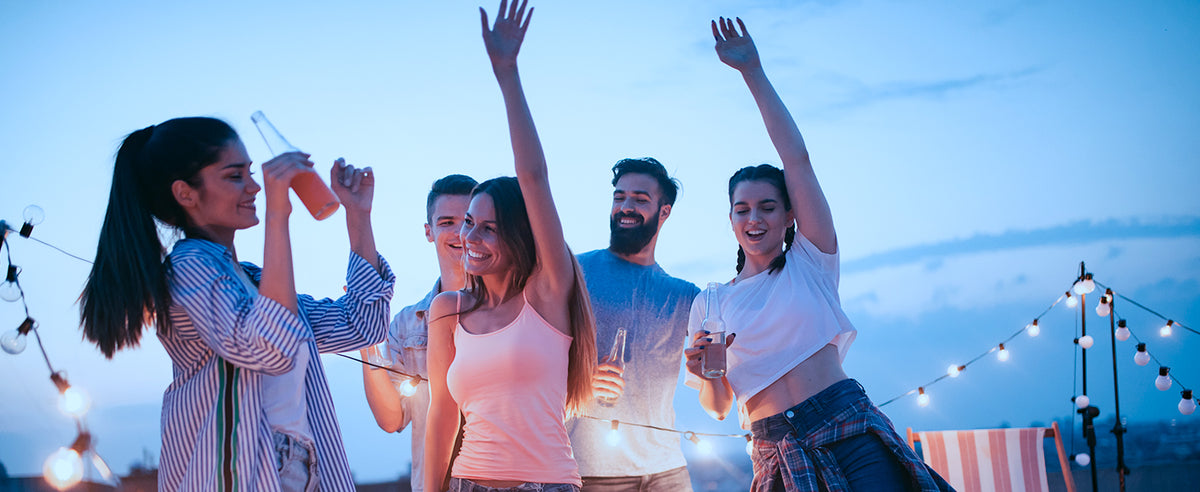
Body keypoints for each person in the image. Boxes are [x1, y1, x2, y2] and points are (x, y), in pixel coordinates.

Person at [684, 18, 951, 491]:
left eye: (768, 206)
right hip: (774, 445)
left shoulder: (811, 262)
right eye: (742, 209)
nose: (754, 218)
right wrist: (705, 372)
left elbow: (797, 160)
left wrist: (753, 72)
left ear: (789, 215)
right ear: (730, 220)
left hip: (845, 424)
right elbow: (719, 405)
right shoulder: (712, 303)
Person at [78, 117, 395, 491]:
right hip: (245, 471)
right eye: (235, 176)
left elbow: (361, 325)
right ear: (185, 193)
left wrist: (358, 216)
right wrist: (279, 214)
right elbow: (268, 348)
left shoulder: (255, 279)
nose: (256, 186)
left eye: (250, 172)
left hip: (306, 466)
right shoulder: (188, 266)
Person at [423, 1, 597, 491]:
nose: (468, 239)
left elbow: (534, 177)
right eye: (468, 224)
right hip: (467, 483)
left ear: (520, 236)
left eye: (488, 228)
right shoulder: (446, 311)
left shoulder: (546, 295)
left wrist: (507, 75)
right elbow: (442, 414)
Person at [567, 157, 699, 491]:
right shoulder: (575, 273)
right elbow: (531, 350)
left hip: (668, 473)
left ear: (664, 212)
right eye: (619, 197)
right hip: (591, 473)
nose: (626, 207)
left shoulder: (685, 296)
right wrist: (579, 379)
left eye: (640, 199)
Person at [360, 174, 477, 492]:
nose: (459, 232)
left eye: (467, 220)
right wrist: (367, 341)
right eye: (446, 222)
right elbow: (391, 419)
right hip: (435, 482)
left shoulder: (513, 310)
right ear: (429, 231)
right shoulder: (408, 323)